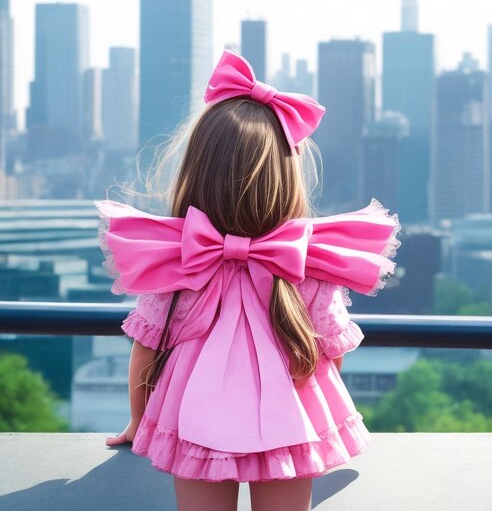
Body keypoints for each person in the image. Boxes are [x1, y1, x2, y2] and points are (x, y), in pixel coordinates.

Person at [97, 49, 400, 511]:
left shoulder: (178, 263)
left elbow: (145, 352)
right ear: (288, 176)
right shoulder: (308, 266)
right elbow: (329, 360)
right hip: (289, 431)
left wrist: (139, 424)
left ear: (195, 173)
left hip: (194, 430)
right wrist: (322, 425)